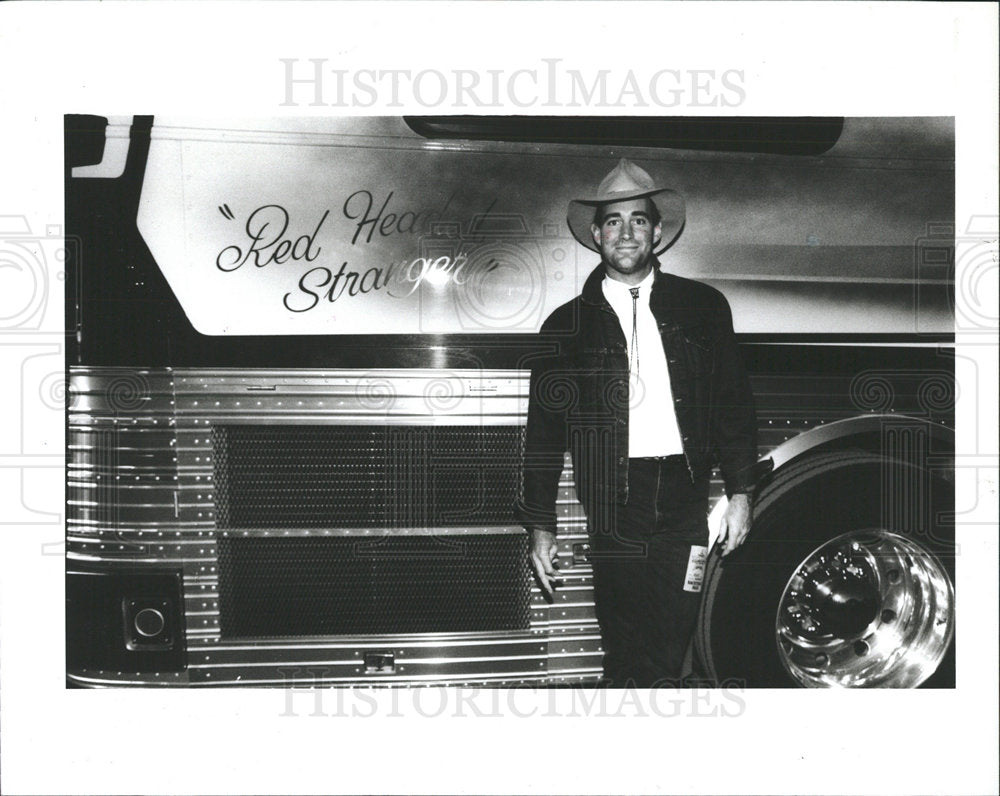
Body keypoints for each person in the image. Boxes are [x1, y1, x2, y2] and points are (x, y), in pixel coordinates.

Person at [516, 158, 758, 687]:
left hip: (684, 495)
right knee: (623, 640)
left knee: (674, 636)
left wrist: (741, 491)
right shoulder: (565, 326)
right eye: (613, 221)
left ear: (658, 232)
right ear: (597, 235)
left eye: (639, 220)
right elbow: (544, 433)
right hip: (613, 502)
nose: (626, 233)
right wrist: (540, 523)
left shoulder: (704, 308)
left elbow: (733, 404)